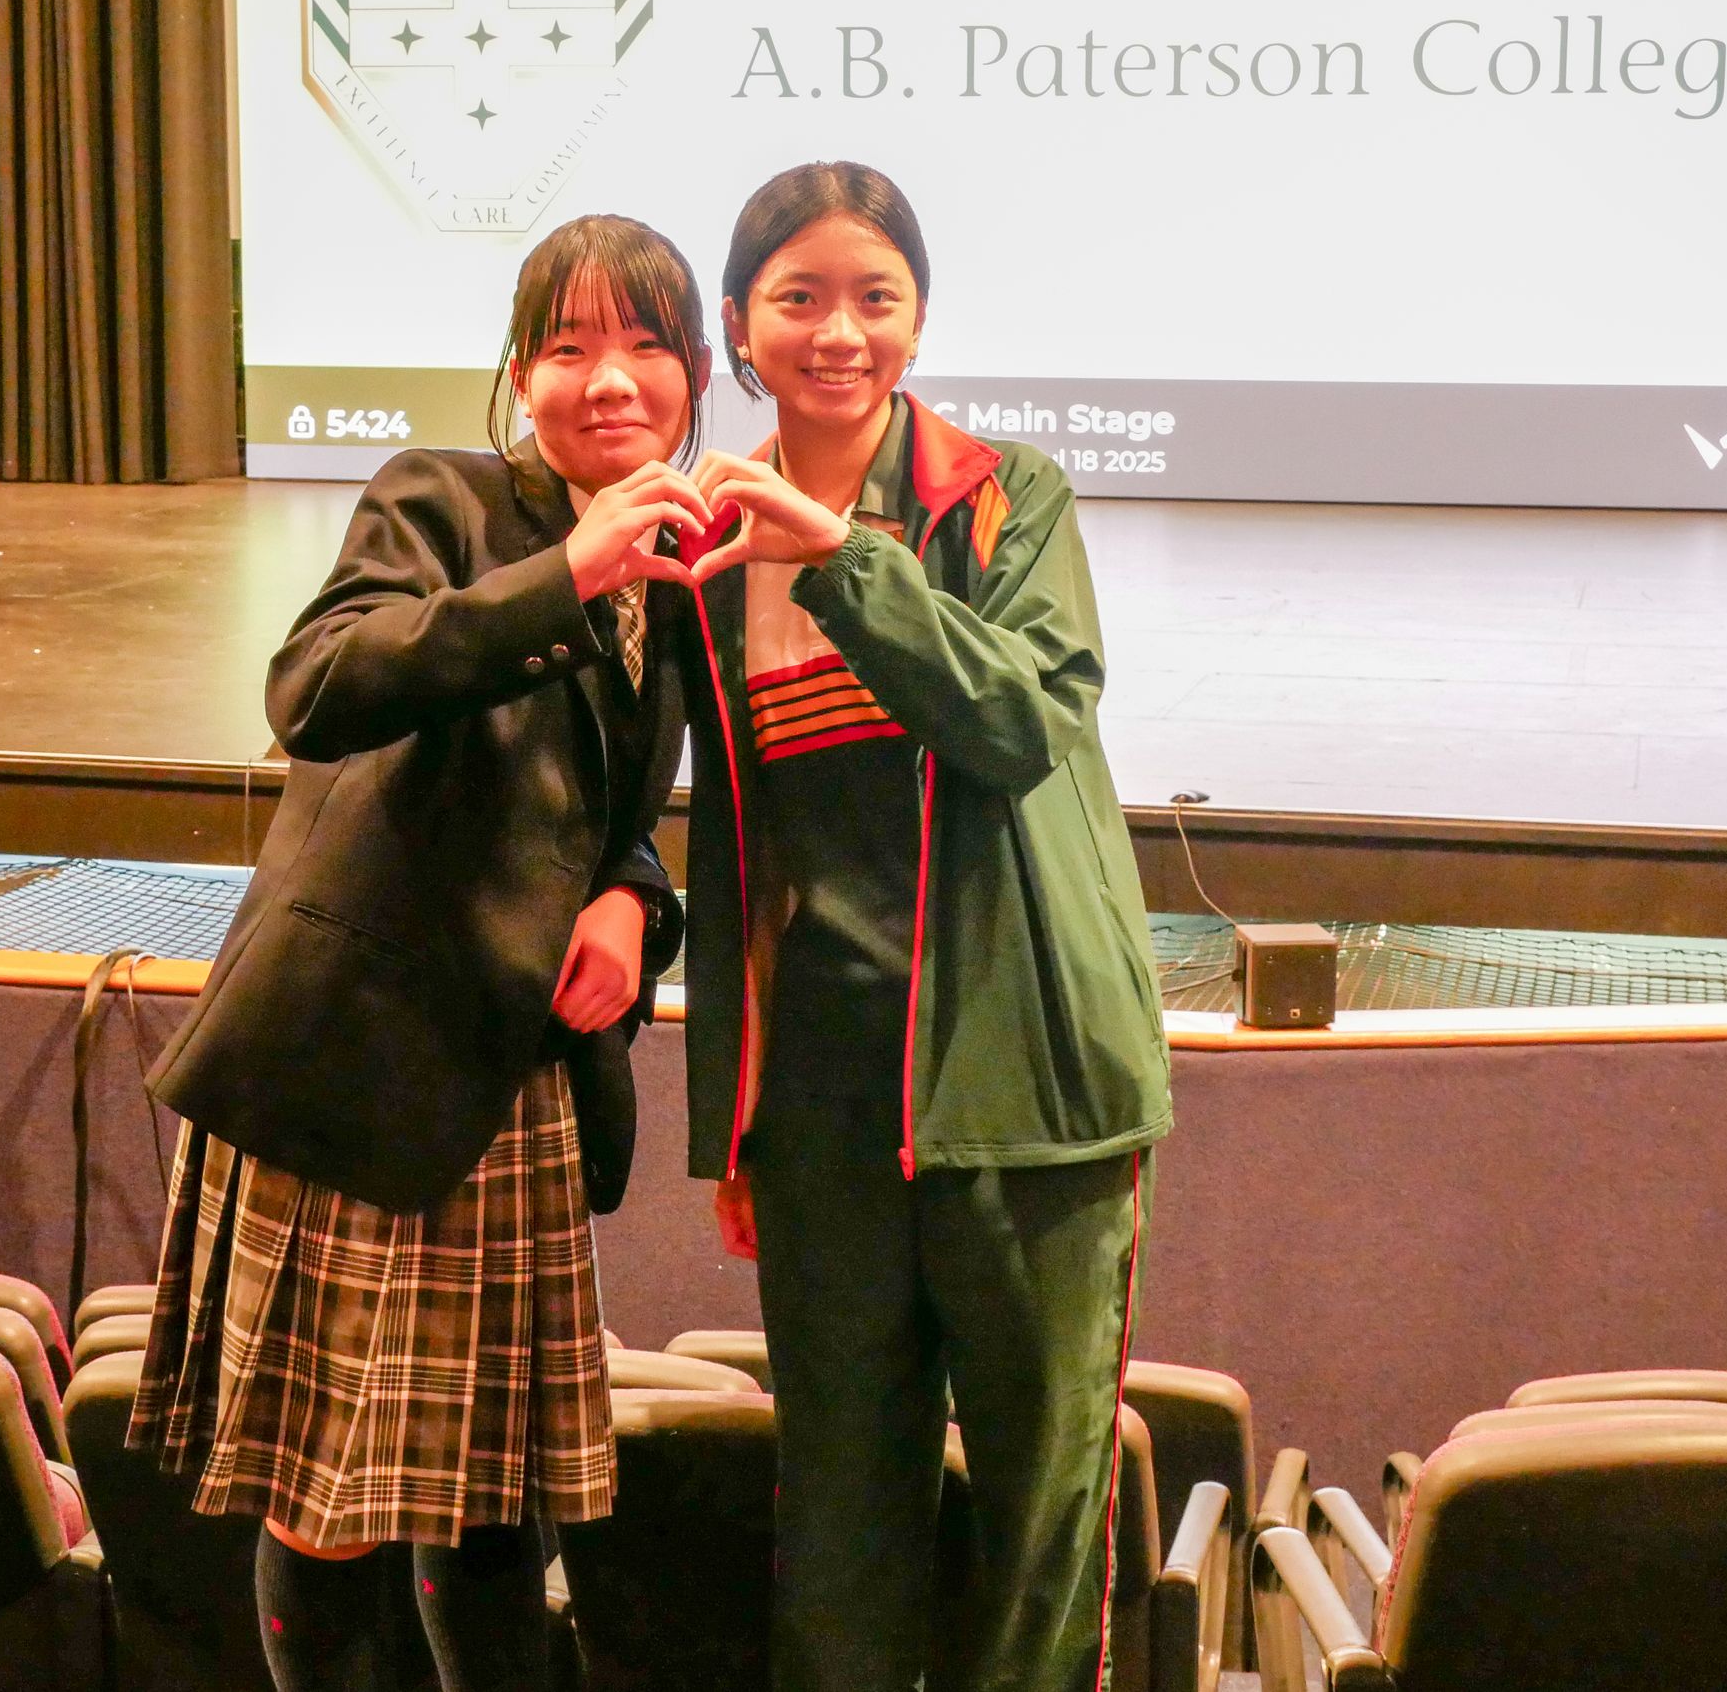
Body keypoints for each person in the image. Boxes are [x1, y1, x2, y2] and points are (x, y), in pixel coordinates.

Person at [128, 214, 715, 1692]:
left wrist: (636, 903)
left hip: (512, 1081)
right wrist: (566, 572)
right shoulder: (440, 498)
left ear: (697, 373)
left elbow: (608, 815)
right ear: (519, 373)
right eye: (569, 345)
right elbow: (316, 688)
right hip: (364, 1062)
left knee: (498, 1512)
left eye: (647, 344)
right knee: (322, 1501)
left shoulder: (683, 564)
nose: (610, 377)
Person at [674, 161, 1173, 1691]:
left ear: (920, 318)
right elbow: (736, 852)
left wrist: (840, 561)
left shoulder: (1007, 496)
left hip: (1027, 1097)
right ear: (740, 327)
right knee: (837, 1533)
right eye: (800, 297)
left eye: (874, 297)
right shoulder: (706, 550)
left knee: (1037, 1544)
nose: (840, 332)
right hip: (827, 1117)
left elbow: (1018, 722)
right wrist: (738, 1117)